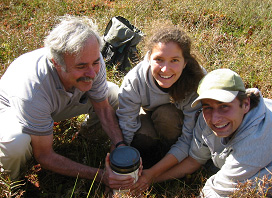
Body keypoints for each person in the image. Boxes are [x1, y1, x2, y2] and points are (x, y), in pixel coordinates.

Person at [0, 15, 134, 189]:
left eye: (95, 63)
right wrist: (101, 176)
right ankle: (13, 180)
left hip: (59, 99)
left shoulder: (91, 59)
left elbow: (102, 107)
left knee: (113, 94)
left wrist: (120, 146)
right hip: (14, 109)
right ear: (56, 63)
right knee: (16, 143)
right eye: (81, 66)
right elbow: (45, 156)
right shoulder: (33, 88)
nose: (92, 73)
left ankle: (89, 136)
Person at [132, 68, 272, 197]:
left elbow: (216, 191)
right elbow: (194, 160)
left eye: (224, 106)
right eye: (208, 107)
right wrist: (150, 178)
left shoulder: (257, 137)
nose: (215, 119)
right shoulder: (205, 119)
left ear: (246, 104)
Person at [116, 22, 205, 168]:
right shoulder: (134, 81)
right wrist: (121, 165)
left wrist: (155, 173)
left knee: (166, 116)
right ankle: (150, 157)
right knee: (142, 136)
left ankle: (168, 158)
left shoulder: (196, 82)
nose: (165, 69)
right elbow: (126, 128)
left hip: (176, 126)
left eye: (174, 60)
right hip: (148, 115)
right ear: (149, 58)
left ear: (185, 63)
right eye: (159, 59)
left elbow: (189, 138)